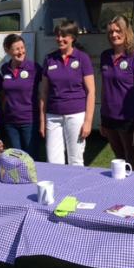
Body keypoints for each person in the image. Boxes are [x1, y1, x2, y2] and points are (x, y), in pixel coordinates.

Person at [40, 20, 95, 166]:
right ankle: (58, 189)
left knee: (75, 160)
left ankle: (75, 189)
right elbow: (44, 92)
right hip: (53, 116)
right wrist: (42, 119)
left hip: (76, 115)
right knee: (53, 161)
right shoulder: (49, 59)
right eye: (57, 35)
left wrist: (88, 121)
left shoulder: (83, 58)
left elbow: (91, 91)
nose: (59, 39)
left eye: (64, 36)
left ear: (73, 38)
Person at [100, 15, 134, 171]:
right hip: (109, 118)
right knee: (119, 160)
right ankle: (126, 193)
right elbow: (104, 89)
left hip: (128, 120)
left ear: (127, 32)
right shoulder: (105, 56)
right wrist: (102, 118)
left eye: (118, 31)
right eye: (111, 32)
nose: (114, 35)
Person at [1, 34, 42, 160]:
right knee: (16, 158)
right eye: (17, 49)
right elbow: (3, 94)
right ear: (8, 51)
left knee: (30, 158)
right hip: (11, 122)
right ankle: (17, 179)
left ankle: (32, 179)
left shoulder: (35, 68)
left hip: (29, 120)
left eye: (22, 48)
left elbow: (44, 92)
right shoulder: (4, 69)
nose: (21, 51)